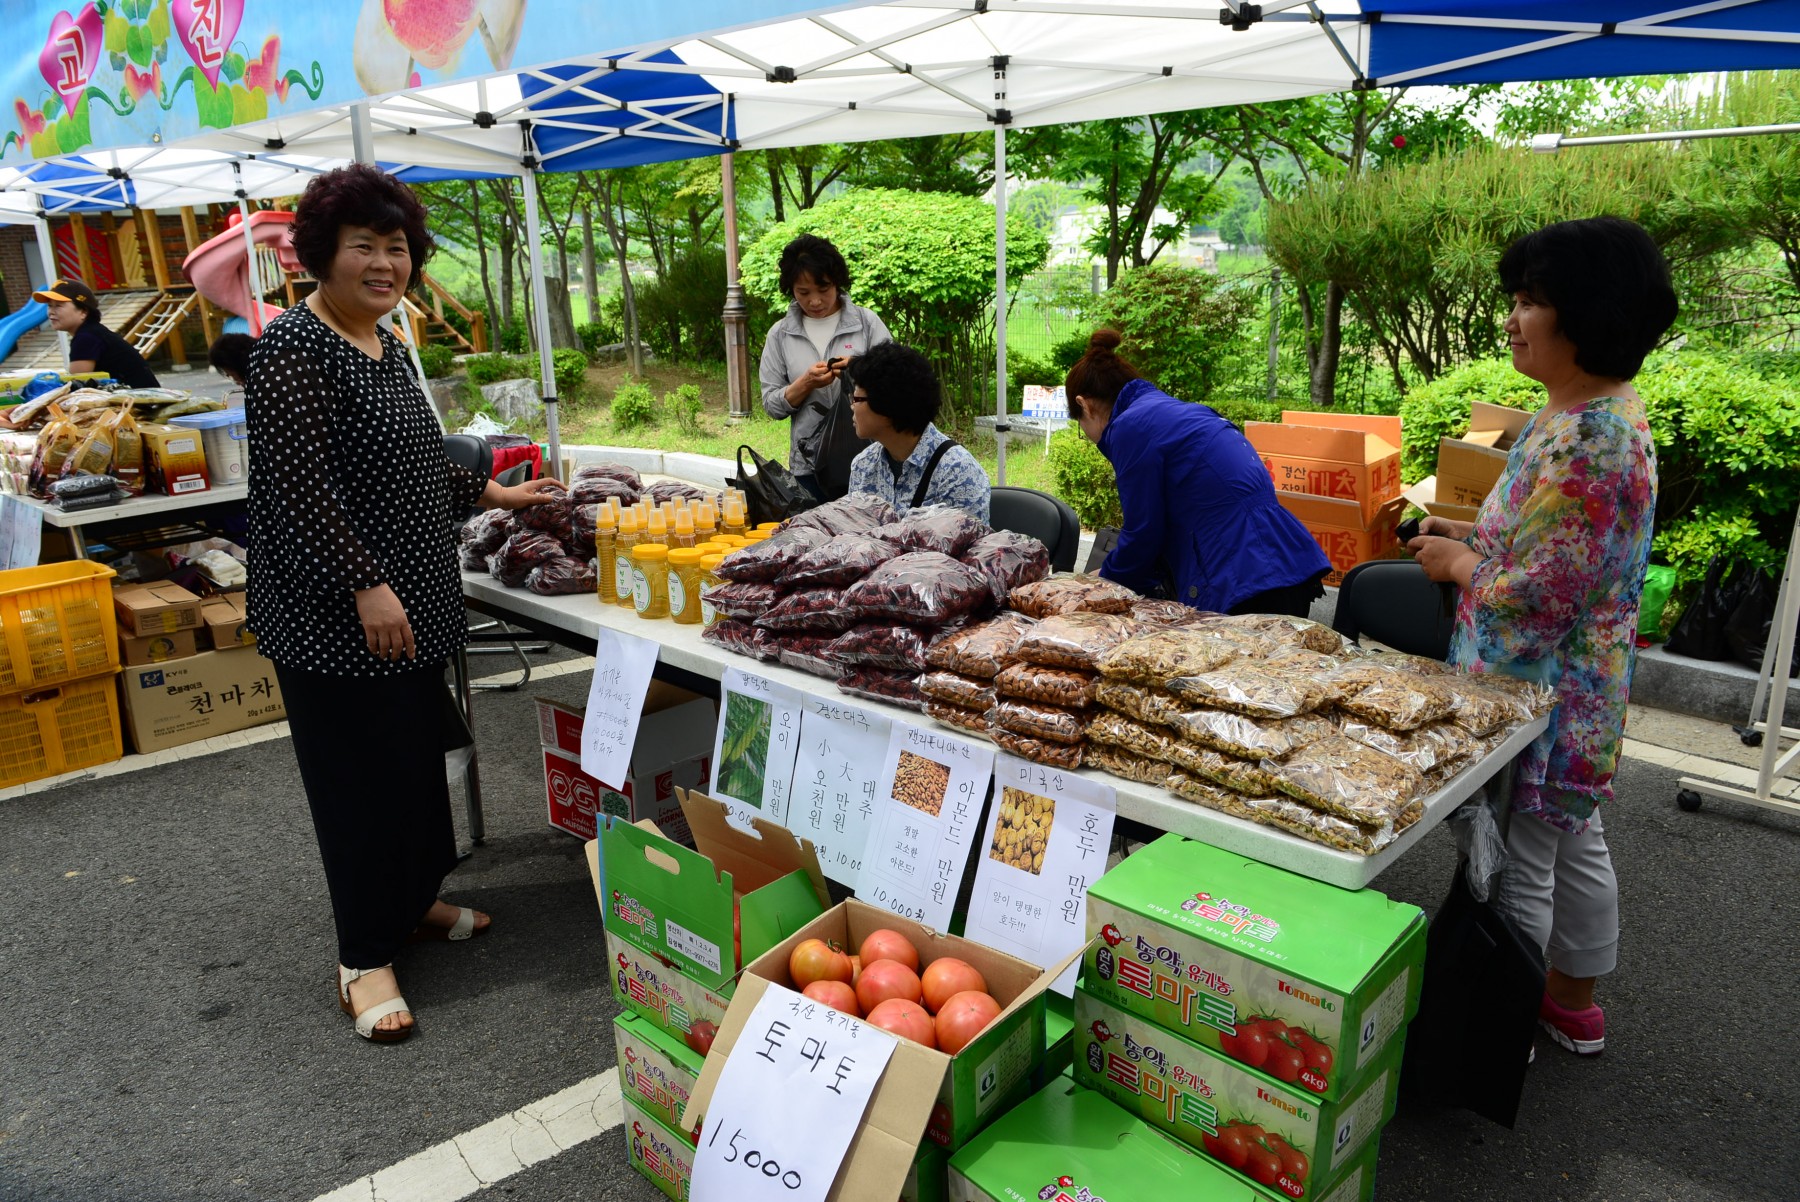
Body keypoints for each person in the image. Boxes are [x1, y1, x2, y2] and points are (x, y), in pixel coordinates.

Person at [245, 163, 560, 1043]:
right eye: (364, 247)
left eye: (397, 248)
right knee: (360, 785)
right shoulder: (291, 352)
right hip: (336, 618)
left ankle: (413, 902)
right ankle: (362, 955)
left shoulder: (382, 344)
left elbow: (412, 467)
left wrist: (493, 497)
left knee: (418, 770)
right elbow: (303, 491)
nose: (384, 264)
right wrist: (364, 585)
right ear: (319, 256)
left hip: (413, 607)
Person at [1408, 216, 1676, 1058]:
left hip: (1541, 696)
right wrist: (1466, 530)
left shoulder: (1591, 438)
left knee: (1523, 858)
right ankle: (1572, 1003)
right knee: (1571, 838)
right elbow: (1543, 541)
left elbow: (1533, 599)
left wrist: (1456, 563)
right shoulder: (1588, 414)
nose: (1514, 318)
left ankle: (1503, 1024)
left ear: (1587, 315)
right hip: (1579, 692)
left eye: (1532, 302)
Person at [1065, 330, 1330, 615]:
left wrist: (1103, 583)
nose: (1090, 438)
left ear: (1084, 405)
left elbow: (1143, 532)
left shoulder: (1131, 427)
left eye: (1082, 429)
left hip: (1242, 575)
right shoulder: (1174, 412)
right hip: (1281, 559)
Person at [758, 234, 890, 499]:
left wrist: (858, 368)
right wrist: (805, 383)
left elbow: (896, 382)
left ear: (837, 283)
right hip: (809, 468)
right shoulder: (780, 334)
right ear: (790, 288)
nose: (815, 301)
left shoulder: (866, 323)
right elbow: (771, 405)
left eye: (824, 289)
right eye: (803, 293)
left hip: (871, 460)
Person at [844, 342, 990, 522]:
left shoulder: (958, 472)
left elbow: (970, 547)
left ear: (887, 405)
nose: (852, 406)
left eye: (857, 399)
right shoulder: (863, 465)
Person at [33, 278, 160, 387]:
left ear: (83, 312)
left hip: (143, 407)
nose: (51, 312)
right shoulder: (93, 332)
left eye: (59, 306)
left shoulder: (87, 337)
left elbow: (78, 386)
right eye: (50, 306)